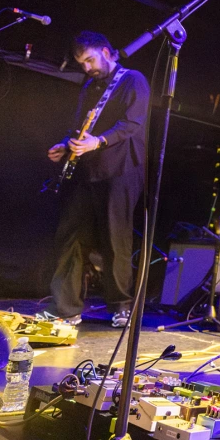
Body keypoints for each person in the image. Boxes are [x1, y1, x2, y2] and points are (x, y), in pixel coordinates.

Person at [45, 31, 149, 329]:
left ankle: (121, 306)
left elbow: (132, 123)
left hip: (121, 168)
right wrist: (66, 145)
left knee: (115, 237)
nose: (87, 67)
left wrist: (98, 141)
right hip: (87, 168)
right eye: (81, 63)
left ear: (106, 51)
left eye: (90, 60)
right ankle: (66, 308)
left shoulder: (133, 80)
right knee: (71, 235)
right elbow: (79, 125)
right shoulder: (90, 85)